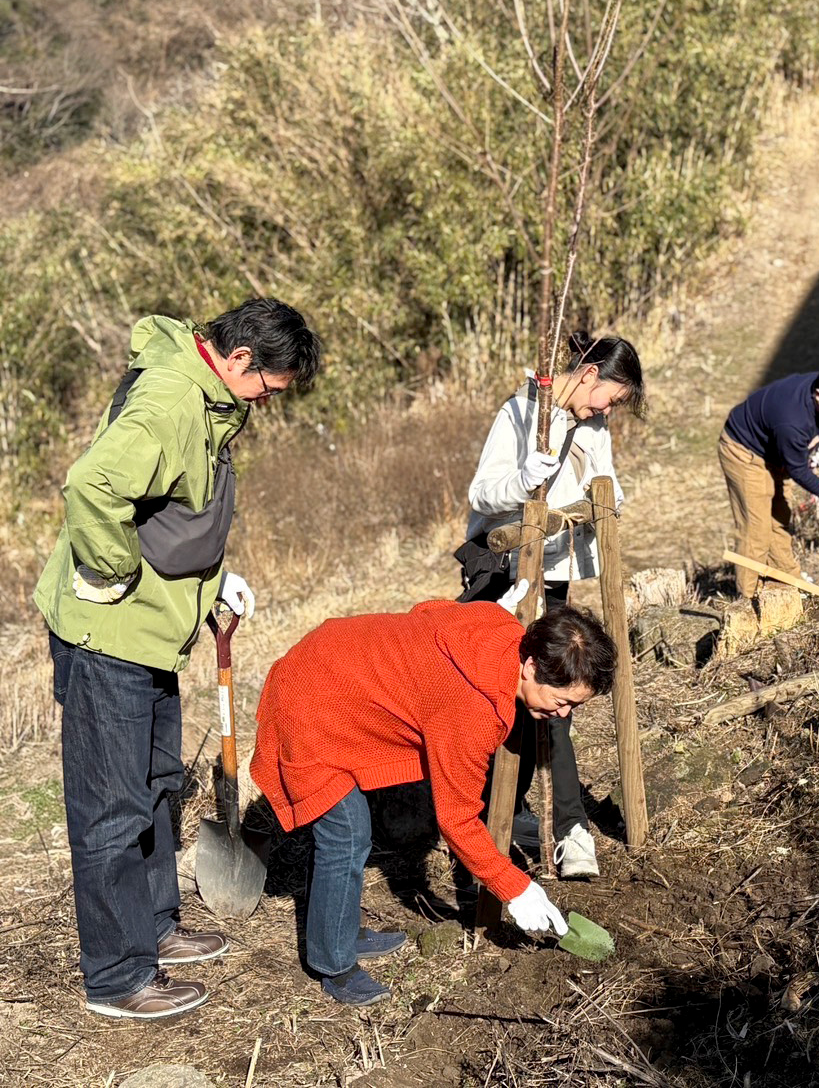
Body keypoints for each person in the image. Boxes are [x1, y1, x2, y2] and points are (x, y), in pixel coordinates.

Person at [32, 298, 323, 1020]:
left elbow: (171, 510)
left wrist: (210, 578)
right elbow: (92, 486)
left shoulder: (210, 398)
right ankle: (117, 976)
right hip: (110, 633)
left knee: (158, 785)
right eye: (267, 386)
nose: (266, 401)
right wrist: (116, 572)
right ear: (239, 357)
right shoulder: (171, 400)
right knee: (111, 807)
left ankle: (156, 925)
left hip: (154, 631)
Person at [250, 600, 614, 1005]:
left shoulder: (500, 627)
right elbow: (457, 819)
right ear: (530, 667)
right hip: (310, 702)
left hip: (332, 662)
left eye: (574, 706)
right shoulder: (471, 712)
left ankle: (340, 930)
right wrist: (515, 888)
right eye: (562, 701)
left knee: (354, 832)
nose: (563, 714)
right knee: (346, 836)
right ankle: (333, 965)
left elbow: (428, 610)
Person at [461, 333, 641, 881]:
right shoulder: (521, 413)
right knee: (497, 692)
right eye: (610, 397)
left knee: (556, 692)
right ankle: (492, 813)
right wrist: (523, 482)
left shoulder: (592, 423)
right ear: (588, 374)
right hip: (505, 571)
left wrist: (608, 496)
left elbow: (602, 479)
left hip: (554, 569)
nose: (607, 409)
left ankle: (567, 826)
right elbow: (481, 494)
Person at [719, 368, 819, 592]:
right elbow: (798, 471)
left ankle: (785, 582)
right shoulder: (791, 421)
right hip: (744, 452)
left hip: (774, 448)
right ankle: (748, 595)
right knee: (756, 530)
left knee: (779, 518)